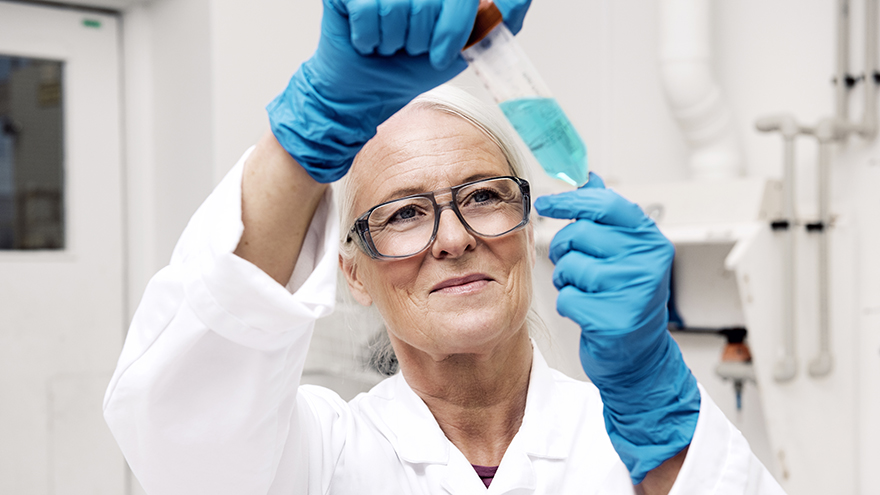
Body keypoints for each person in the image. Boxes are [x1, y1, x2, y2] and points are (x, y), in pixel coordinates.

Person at [103, 1, 785, 493]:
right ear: (355, 273)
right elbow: (186, 427)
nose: (454, 238)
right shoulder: (320, 457)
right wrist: (314, 125)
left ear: (526, 226)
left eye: (485, 196)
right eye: (403, 213)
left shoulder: (631, 440)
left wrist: (654, 403)